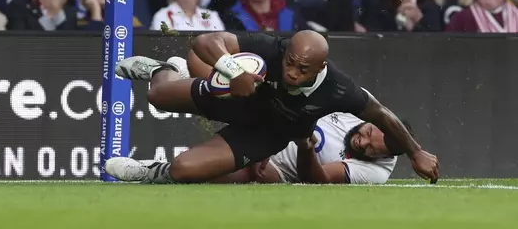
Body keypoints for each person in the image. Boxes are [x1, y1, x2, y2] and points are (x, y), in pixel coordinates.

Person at [110, 30, 439, 184]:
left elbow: (382, 115)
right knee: (157, 96)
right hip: (239, 100)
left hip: (267, 136)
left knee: (184, 169)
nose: (292, 73)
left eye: (302, 69)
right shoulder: (276, 48)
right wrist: (233, 70)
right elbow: (204, 41)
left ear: (321, 67)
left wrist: (415, 152)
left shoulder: (340, 89)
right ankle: (161, 69)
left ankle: (152, 172)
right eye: (289, 64)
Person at [108, 112, 409, 185]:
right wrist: (271, 138)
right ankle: (172, 74)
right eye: (368, 133)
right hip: (265, 130)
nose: (362, 141)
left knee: (188, 169)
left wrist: (305, 147)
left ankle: (151, 171)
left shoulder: (376, 173)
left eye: (369, 149)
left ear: (381, 158)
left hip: (277, 170)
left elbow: (316, 181)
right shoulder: (361, 108)